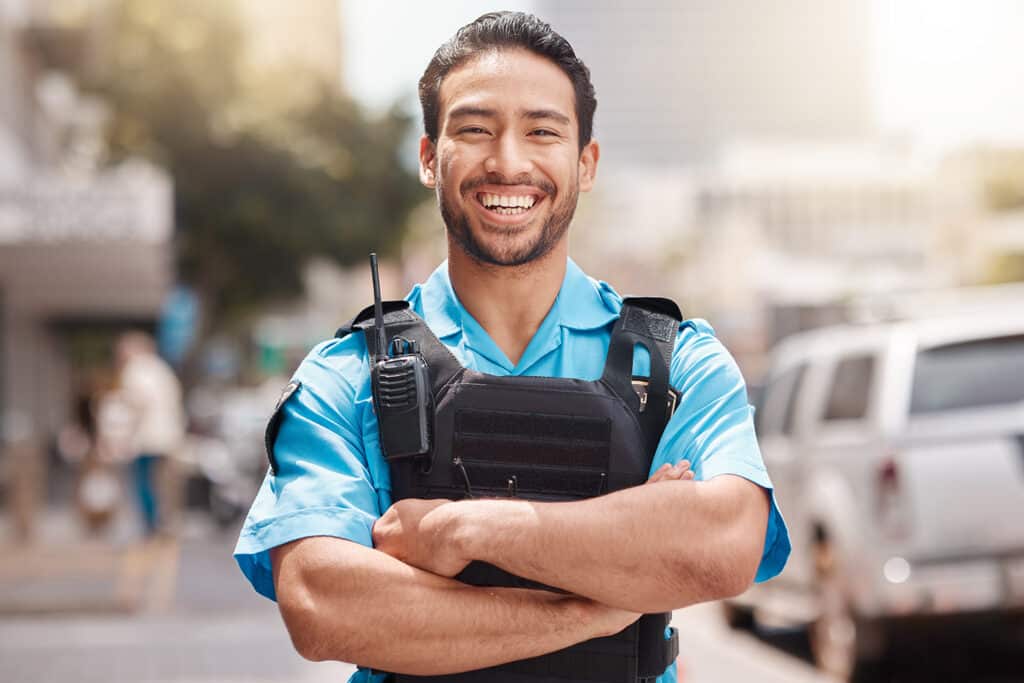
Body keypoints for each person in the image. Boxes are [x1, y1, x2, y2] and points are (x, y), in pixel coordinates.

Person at [235, 12, 790, 683]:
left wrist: (459, 532)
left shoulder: (675, 364)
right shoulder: (346, 373)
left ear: (585, 163)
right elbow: (323, 603)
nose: (508, 161)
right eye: (474, 129)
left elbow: (723, 546)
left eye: (542, 131)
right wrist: (598, 604)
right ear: (428, 158)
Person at [114, 331, 186, 538]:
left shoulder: (135, 370)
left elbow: (138, 403)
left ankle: (151, 523)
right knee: (164, 483)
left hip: (146, 438)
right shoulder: (162, 369)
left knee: (144, 482)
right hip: (169, 435)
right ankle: (167, 520)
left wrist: (125, 436)